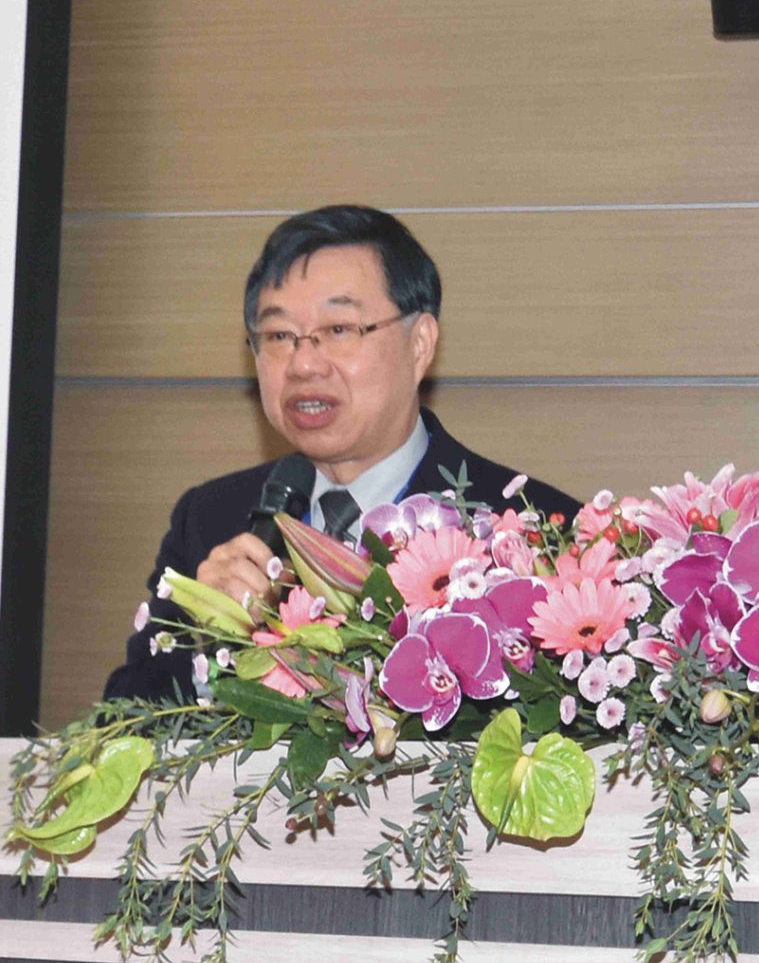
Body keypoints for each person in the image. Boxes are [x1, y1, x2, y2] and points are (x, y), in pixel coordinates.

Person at [102, 205, 579, 702]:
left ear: (420, 344)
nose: (304, 364)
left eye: (339, 330)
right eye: (278, 335)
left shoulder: (531, 534)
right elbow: (119, 720)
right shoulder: (210, 519)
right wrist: (212, 645)